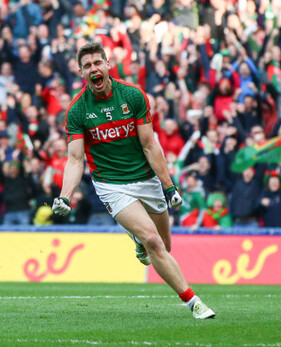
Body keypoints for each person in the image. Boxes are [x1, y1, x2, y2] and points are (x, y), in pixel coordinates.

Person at [51, 42, 215, 319]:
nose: (94, 69)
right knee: (152, 240)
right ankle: (194, 302)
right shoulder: (77, 111)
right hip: (112, 185)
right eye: (87, 65)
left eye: (98, 63)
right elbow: (76, 159)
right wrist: (65, 195)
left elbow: (150, 145)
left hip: (147, 179)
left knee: (164, 246)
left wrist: (169, 186)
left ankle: (138, 241)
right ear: (81, 73)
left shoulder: (134, 96)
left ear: (107, 65)